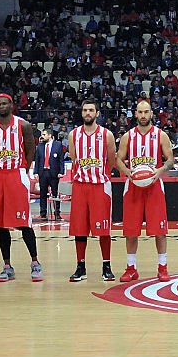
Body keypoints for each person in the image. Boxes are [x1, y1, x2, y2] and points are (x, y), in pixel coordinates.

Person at [0, 94, 42, 282]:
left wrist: (25, 169)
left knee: (24, 222)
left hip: (17, 174)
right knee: (1, 223)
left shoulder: (23, 125)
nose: (2, 106)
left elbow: (31, 149)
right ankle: (7, 266)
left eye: (5, 103)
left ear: (11, 105)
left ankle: (35, 262)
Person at [114, 99, 172, 282]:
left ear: (151, 114)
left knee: (160, 231)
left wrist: (160, 170)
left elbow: (170, 160)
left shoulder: (161, 135)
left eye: (146, 112)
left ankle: (162, 267)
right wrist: (127, 172)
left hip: (154, 185)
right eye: (140, 112)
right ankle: (131, 268)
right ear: (135, 114)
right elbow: (118, 159)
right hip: (133, 187)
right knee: (131, 231)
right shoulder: (127, 136)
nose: (143, 115)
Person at [67, 99, 118, 282]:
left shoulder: (107, 135)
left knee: (103, 229)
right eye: (85, 110)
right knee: (79, 228)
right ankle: (80, 267)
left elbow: (111, 161)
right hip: (80, 185)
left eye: (91, 110)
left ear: (97, 113)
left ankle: (106, 266)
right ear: (82, 113)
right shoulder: (73, 135)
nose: (88, 113)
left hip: (100, 185)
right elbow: (74, 158)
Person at [33, 129, 64, 220]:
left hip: (53, 173)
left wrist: (61, 172)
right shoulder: (40, 145)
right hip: (43, 172)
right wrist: (35, 172)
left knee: (55, 194)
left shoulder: (58, 145)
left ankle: (57, 213)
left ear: (50, 135)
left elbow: (61, 160)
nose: (42, 136)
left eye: (44, 134)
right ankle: (43, 213)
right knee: (43, 194)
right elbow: (37, 159)